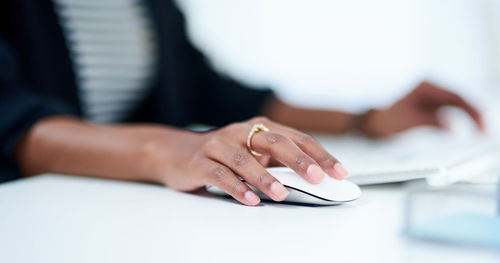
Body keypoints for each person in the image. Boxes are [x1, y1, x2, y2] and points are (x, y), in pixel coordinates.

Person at [0, 0, 484, 206]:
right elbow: (12, 118)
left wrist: (367, 120)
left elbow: (215, 91)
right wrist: (171, 151)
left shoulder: (149, 5)